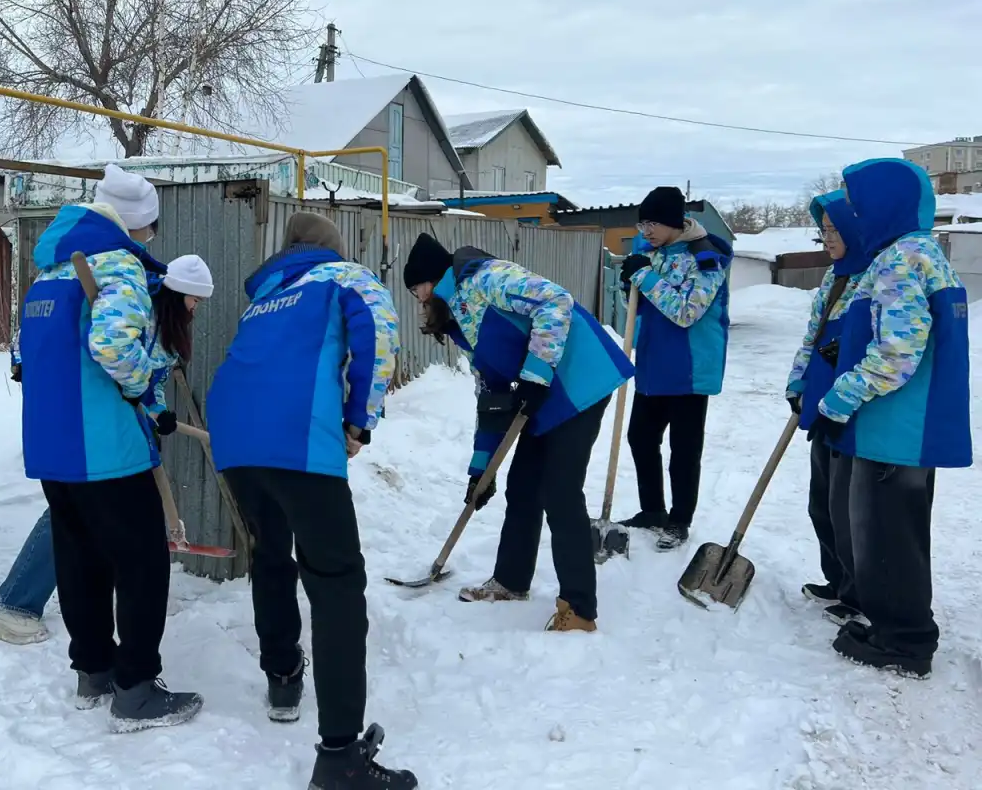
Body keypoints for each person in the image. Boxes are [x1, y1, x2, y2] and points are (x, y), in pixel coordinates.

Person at [206, 211, 414, 790]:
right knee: (337, 581)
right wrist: (358, 423)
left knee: (272, 554)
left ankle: (283, 676)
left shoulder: (266, 295)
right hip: (295, 435)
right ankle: (342, 756)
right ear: (334, 247)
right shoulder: (344, 276)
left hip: (236, 440)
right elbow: (381, 335)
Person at [17, 164, 204, 731]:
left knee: (81, 556)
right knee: (142, 561)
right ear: (136, 224)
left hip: (52, 444)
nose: (147, 240)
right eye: (147, 230)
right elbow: (113, 347)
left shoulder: (48, 273)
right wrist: (141, 382)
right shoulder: (115, 263)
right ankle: (137, 689)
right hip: (103, 445)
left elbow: (19, 359)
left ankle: (93, 669)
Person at [402, 233, 634, 633]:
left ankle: (578, 608)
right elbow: (490, 396)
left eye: (416, 289)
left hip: (579, 385)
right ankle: (511, 581)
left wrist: (536, 374)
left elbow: (555, 301)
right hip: (543, 394)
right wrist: (482, 468)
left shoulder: (485, 279)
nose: (418, 300)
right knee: (524, 486)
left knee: (559, 491)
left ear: (431, 279)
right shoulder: (463, 315)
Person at [0, 253, 215, 646]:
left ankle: (129, 597)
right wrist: (25, 366)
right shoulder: (130, 296)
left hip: (115, 419)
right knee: (76, 505)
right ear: (179, 294)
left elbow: (149, 379)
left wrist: (159, 412)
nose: (196, 309)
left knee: (100, 509)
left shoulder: (168, 327)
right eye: (195, 300)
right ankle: (13, 605)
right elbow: (71, 342)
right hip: (82, 412)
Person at [811, 158, 971, 678]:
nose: (854, 215)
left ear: (885, 204)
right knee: (888, 535)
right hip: (898, 428)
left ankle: (904, 642)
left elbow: (897, 355)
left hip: (895, 429)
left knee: (887, 538)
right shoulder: (914, 255)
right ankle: (890, 626)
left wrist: (837, 400)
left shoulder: (902, 260)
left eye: (859, 204)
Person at [614, 186, 733, 550]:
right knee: (641, 438)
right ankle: (652, 511)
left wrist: (645, 278)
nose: (644, 230)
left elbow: (686, 312)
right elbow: (643, 306)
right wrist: (628, 285)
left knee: (684, 450)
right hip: (654, 363)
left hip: (690, 368)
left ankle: (679, 520)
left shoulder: (707, 256)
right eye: (640, 223)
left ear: (674, 222)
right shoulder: (652, 252)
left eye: (651, 223)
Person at [784, 190, 872, 628]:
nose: (827, 238)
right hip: (820, 401)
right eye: (823, 230)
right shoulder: (833, 277)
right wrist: (797, 381)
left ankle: (859, 595)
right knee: (821, 503)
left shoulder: (874, 276)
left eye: (834, 229)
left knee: (845, 507)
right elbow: (812, 335)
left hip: (851, 408)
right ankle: (837, 581)